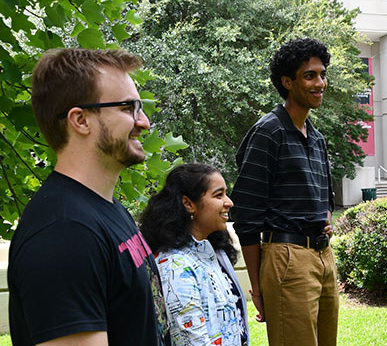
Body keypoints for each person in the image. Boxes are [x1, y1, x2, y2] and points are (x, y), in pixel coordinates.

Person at [7, 48, 171, 345]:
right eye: (127, 108)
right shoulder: (65, 232)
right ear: (80, 120)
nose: (144, 122)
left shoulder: (106, 209)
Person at [230, 37, 338, 346]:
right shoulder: (269, 132)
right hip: (287, 258)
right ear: (287, 82)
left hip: (324, 256)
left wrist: (325, 219)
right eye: (310, 75)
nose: (320, 82)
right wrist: (258, 288)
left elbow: (325, 199)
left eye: (322, 74)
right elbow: (247, 217)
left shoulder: (317, 138)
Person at [140, 163, 249, 346]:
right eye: (218, 195)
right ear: (188, 204)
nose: (229, 202)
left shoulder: (212, 254)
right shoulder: (175, 266)